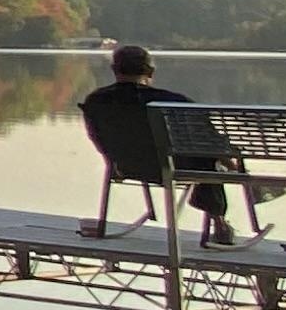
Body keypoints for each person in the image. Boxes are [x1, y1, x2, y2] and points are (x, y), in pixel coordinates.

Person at [75, 44, 235, 243]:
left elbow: (97, 138)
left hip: (125, 165)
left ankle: (228, 188)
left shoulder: (96, 100)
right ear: (150, 71)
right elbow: (209, 142)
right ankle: (219, 222)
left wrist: (114, 159)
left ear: (115, 70)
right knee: (207, 159)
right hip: (172, 168)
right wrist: (230, 160)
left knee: (204, 155)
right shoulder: (173, 102)